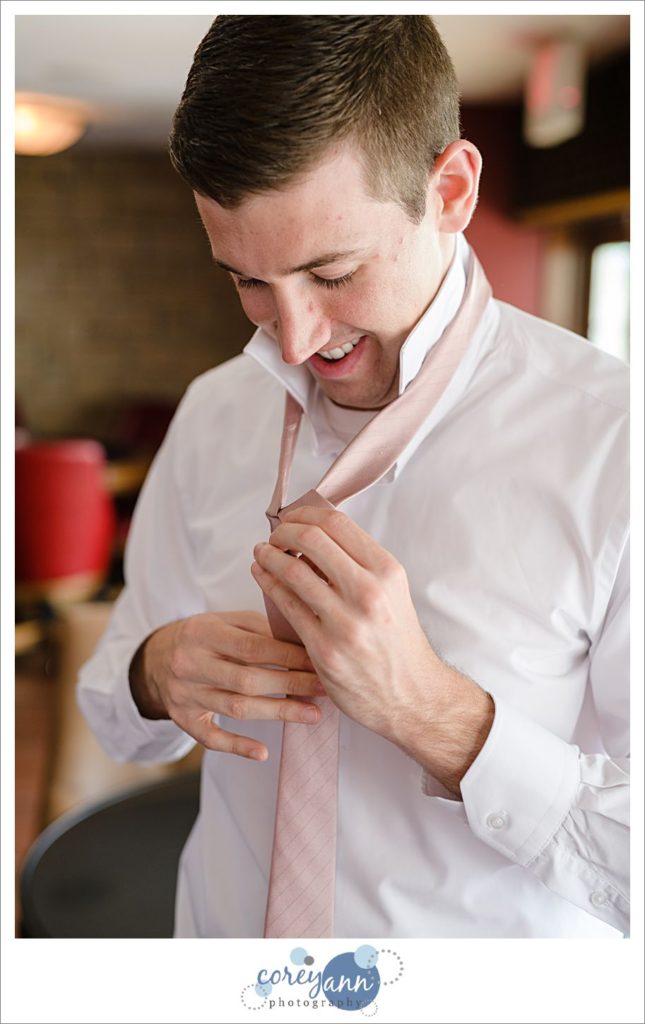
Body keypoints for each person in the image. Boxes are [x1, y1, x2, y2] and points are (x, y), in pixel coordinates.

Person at [77, 15, 629, 938]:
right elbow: (116, 712)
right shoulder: (215, 413)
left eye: (330, 271)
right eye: (246, 283)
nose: (291, 340)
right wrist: (152, 672)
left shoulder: (617, 446)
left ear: (449, 190)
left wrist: (438, 716)